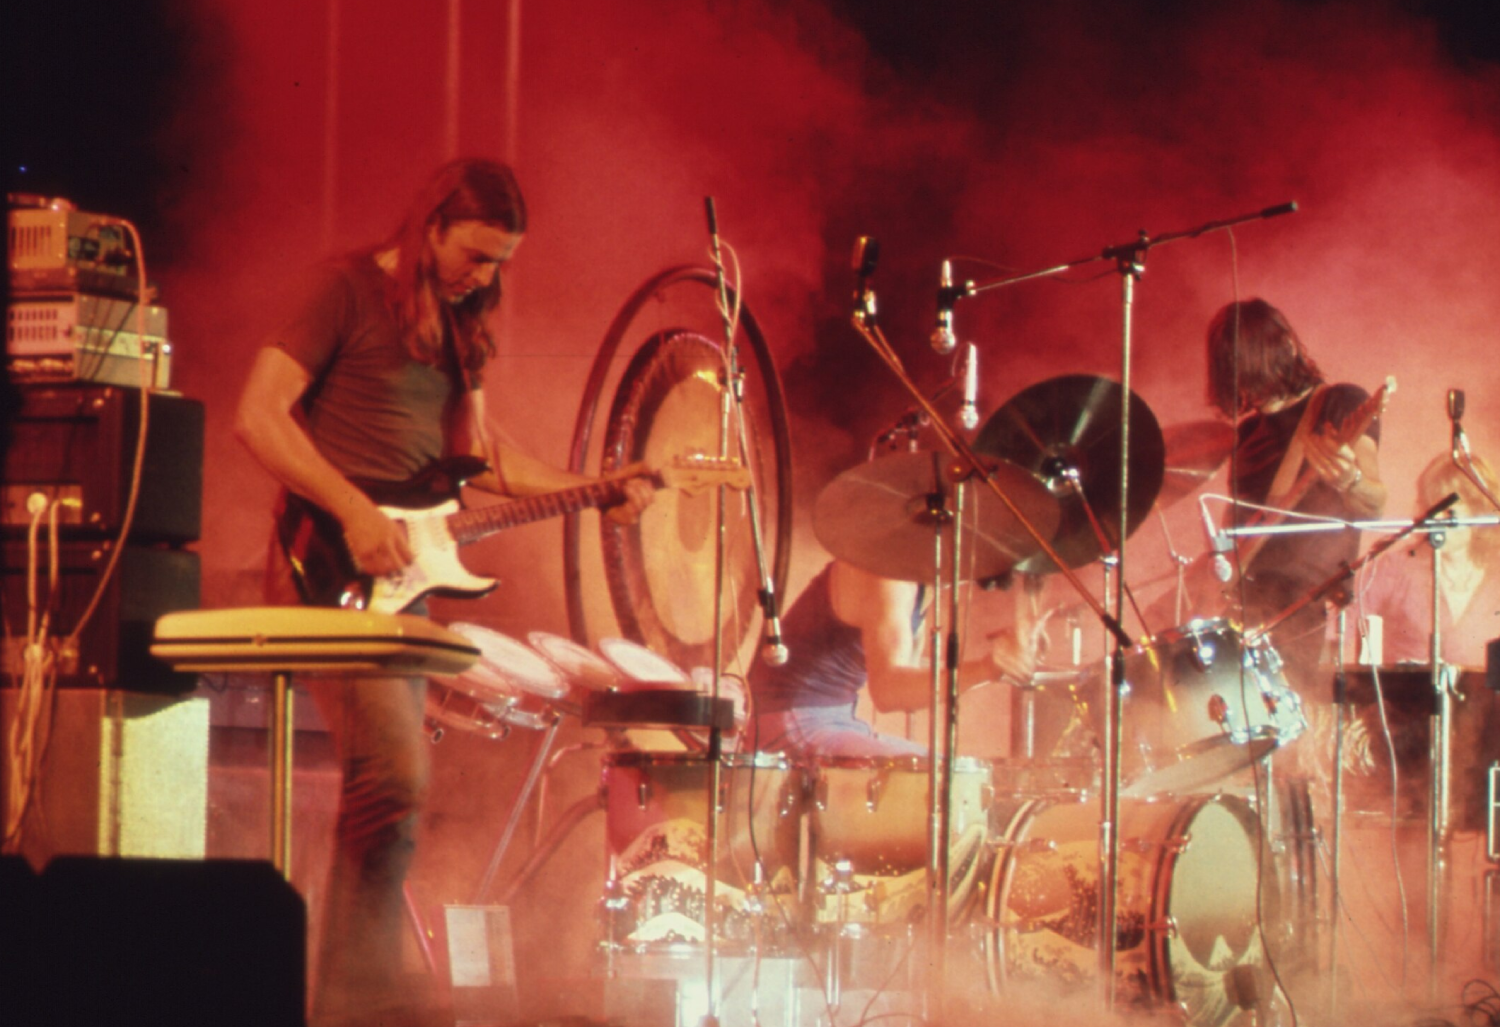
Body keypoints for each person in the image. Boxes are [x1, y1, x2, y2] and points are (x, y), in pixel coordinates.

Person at [234, 159, 651, 1027]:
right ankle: (355, 997)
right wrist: (351, 511)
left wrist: (598, 484)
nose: (483, 277)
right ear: (428, 228)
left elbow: (486, 457)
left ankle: (355, 986)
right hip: (324, 559)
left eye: (499, 263)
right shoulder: (342, 290)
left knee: (393, 781)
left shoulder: (465, 327)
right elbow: (260, 414)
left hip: (405, 578)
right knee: (392, 776)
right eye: (473, 255)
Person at [1204, 298, 1388, 693]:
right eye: (1235, 374)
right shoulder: (1246, 437)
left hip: (1299, 609)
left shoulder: (1339, 404)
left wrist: (1350, 480)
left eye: (1253, 368)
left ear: (1286, 347)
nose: (1247, 388)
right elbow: (1233, 533)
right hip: (1239, 606)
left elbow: (1374, 502)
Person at [748, 557, 1041, 759]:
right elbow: (889, 691)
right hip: (786, 721)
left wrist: (992, 666)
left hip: (829, 720)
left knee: (957, 775)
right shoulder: (890, 579)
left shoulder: (914, 581)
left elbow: (906, 676)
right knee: (945, 782)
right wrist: (985, 669)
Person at [1354, 452, 1500, 667]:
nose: (1436, 520)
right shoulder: (1394, 567)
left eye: (1449, 511)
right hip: (1403, 698)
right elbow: (1339, 627)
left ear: (1479, 514)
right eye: (1431, 509)